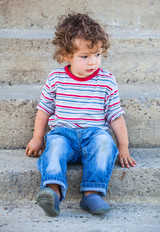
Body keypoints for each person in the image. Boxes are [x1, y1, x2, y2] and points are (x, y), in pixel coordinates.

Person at [25, 13, 137, 216]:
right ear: (66, 55)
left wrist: (123, 147)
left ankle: (91, 193)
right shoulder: (56, 78)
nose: (92, 62)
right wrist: (37, 138)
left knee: (104, 143)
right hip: (63, 133)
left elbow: (115, 115)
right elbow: (44, 110)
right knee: (55, 148)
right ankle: (53, 192)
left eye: (97, 55)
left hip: (94, 134)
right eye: (84, 56)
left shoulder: (106, 81)